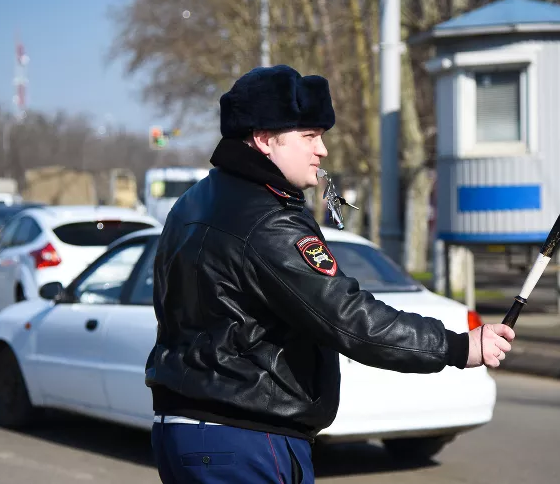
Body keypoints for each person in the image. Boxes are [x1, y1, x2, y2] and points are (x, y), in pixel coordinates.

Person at [145, 65, 516, 484]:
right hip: (243, 438)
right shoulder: (269, 220)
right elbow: (347, 317)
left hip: (182, 429)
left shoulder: (194, 201)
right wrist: (458, 346)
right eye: (308, 136)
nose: (321, 150)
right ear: (264, 139)